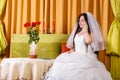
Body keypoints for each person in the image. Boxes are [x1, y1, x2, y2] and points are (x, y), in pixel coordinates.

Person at [41, 12, 112, 80]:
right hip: (76, 54)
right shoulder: (78, 32)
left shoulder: (90, 33)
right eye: (79, 20)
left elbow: (88, 41)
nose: (80, 22)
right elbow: (77, 45)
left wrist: (86, 30)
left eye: (82, 20)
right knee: (61, 62)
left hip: (85, 57)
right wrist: (72, 50)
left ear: (87, 22)